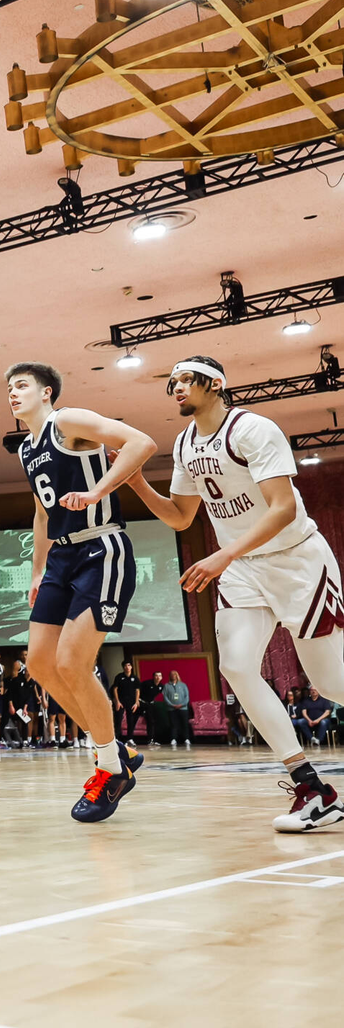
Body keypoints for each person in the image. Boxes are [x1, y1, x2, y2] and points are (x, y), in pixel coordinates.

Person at [126, 356, 344, 831]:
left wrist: (222, 555)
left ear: (216, 384)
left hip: (297, 560)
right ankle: (313, 788)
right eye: (173, 381)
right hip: (243, 567)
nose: (177, 387)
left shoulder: (253, 429)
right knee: (236, 666)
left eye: (186, 379)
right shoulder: (185, 442)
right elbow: (182, 517)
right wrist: (135, 479)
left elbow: (283, 508)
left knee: (331, 684)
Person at [7, 360, 155, 822]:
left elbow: (142, 443)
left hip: (102, 547)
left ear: (47, 392)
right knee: (39, 663)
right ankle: (117, 751)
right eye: (9, 388)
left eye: (22, 386)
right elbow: (41, 514)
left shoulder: (66, 422)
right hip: (61, 558)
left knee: (72, 661)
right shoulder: (26, 450)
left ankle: (110, 767)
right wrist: (35, 572)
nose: (12, 394)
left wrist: (99, 491)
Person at [162, 670, 193, 749]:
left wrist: (182, 704)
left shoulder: (183, 685)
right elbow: (165, 697)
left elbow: (187, 696)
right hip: (171, 709)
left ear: (177, 675)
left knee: (184, 724)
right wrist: (172, 705)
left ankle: (186, 739)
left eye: (174, 674)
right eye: (171, 675)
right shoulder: (166, 685)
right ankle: (173, 739)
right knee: (173, 724)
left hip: (183, 708)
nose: (173, 676)